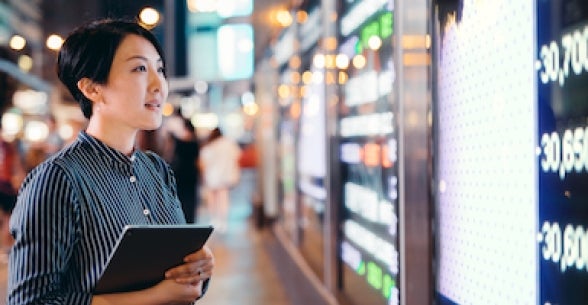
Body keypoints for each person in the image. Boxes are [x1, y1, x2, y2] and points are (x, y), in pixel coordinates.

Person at [8, 19, 214, 305]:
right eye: (140, 68)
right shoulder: (58, 179)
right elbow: (31, 301)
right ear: (92, 89)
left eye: (160, 69)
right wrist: (153, 298)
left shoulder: (156, 170)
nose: (159, 85)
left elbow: (180, 280)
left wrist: (198, 269)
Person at [199, 127, 241, 233]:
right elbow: (238, 156)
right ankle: (223, 221)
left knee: (212, 199)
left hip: (212, 176)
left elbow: (203, 161)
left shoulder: (209, 145)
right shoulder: (229, 143)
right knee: (223, 198)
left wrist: (203, 176)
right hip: (225, 176)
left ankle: (214, 219)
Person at [164, 109, 200, 223]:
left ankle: (181, 218)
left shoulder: (178, 142)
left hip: (180, 172)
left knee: (180, 197)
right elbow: (198, 160)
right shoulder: (195, 142)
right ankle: (190, 219)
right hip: (192, 173)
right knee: (191, 198)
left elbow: (170, 156)